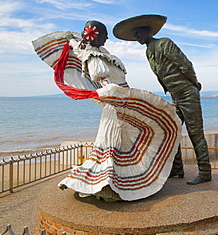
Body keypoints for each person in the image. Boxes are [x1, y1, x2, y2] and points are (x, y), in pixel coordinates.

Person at [32, 20, 182, 201]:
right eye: (105, 35)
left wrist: (75, 43)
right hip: (115, 106)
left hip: (119, 103)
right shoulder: (93, 57)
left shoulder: (100, 54)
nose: (108, 38)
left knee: (123, 143)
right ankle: (108, 185)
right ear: (96, 36)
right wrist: (118, 96)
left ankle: (113, 184)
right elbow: (100, 78)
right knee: (116, 144)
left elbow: (83, 50)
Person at [113, 15, 212, 185]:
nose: (137, 37)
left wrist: (195, 84)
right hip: (175, 96)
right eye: (134, 35)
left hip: (187, 93)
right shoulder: (148, 52)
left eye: (139, 33)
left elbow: (185, 64)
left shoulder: (164, 43)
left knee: (195, 132)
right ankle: (177, 170)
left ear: (148, 31)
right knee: (170, 131)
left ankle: (205, 172)